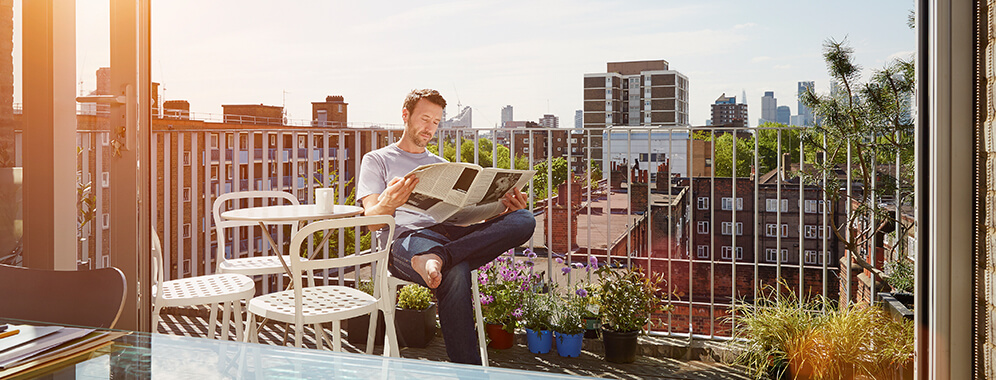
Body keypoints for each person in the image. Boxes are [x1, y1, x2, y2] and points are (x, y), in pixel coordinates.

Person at [356, 89, 535, 365]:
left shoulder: (441, 165)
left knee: (525, 220)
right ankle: (469, 372)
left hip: (446, 236)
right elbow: (372, 220)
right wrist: (389, 202)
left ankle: (440, 258)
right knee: (456, 271)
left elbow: (461, 217)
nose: (430, 128)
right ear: (406, 116)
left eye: (437, 122)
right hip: (404, 241)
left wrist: (501, 208)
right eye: (425, 119)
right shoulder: (377, 160)